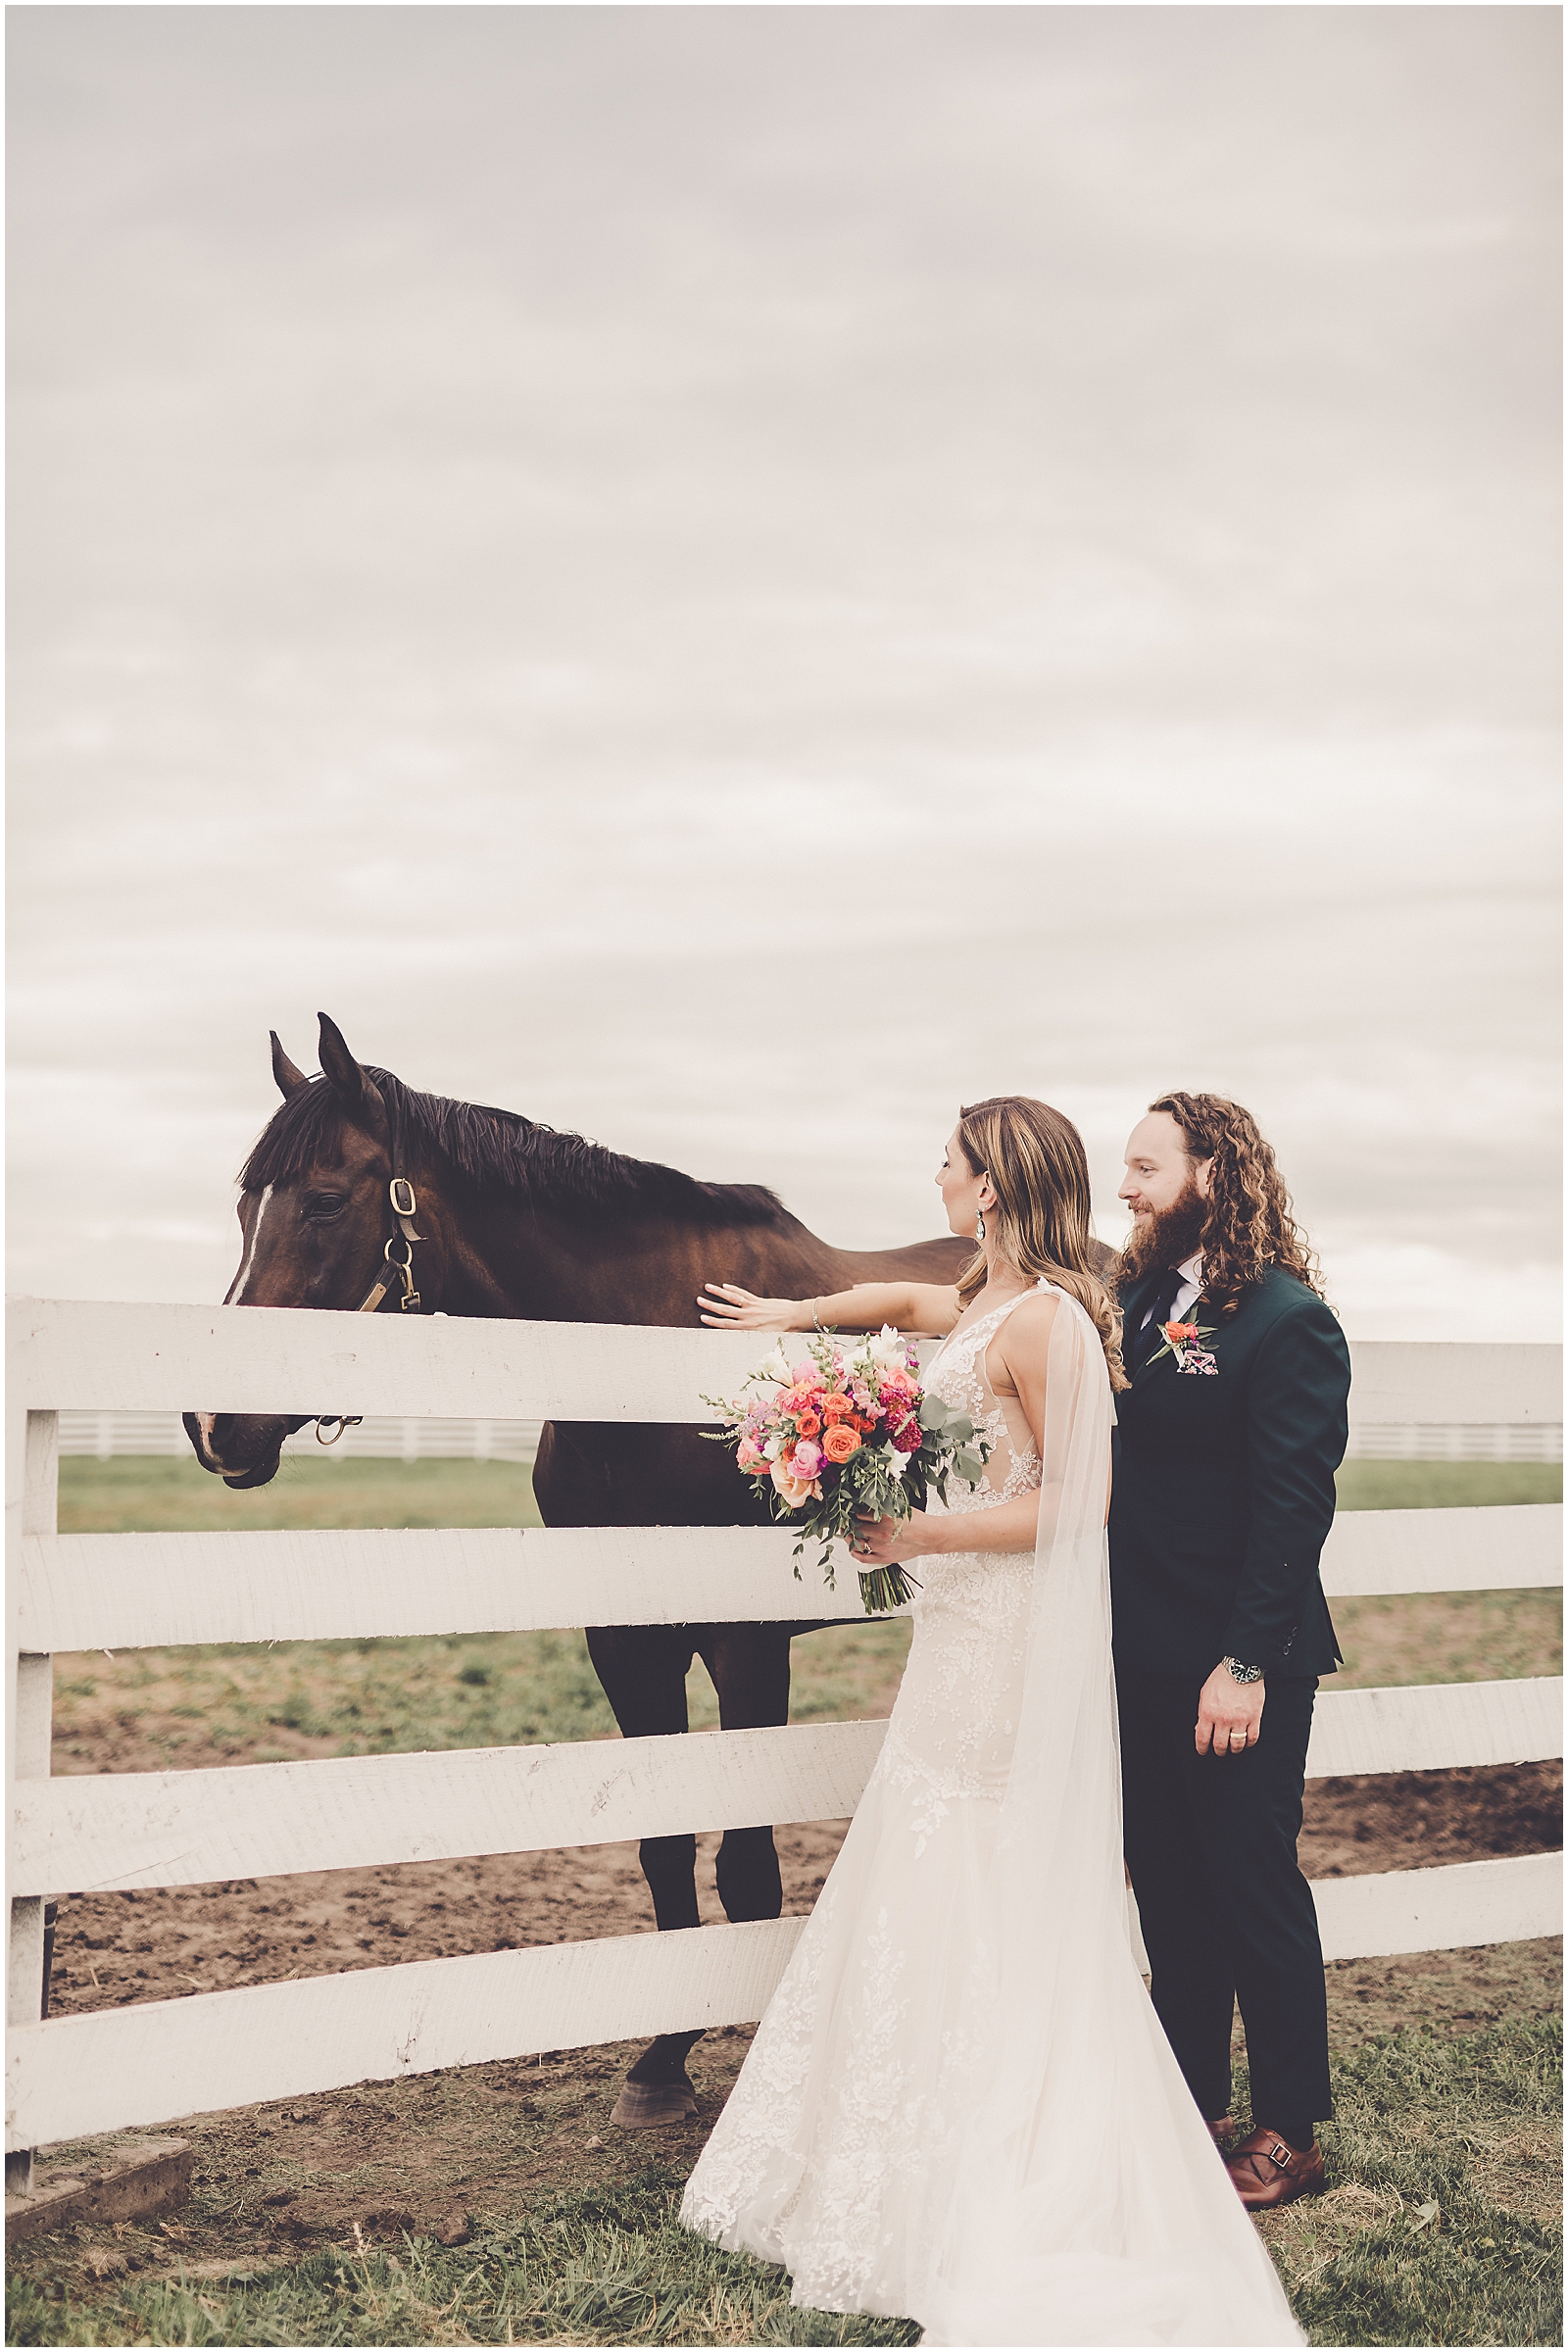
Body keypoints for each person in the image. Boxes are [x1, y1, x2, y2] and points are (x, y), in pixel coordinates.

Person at [682, 1097, 1301, 2346]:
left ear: (994, 1182)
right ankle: (904, 2122)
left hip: (1007, 1635)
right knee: (923, 1850)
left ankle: (1006, 2134)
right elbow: (904, 1310)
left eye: (949, 1164)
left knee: (972, 1855)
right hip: (956, 1635)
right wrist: (795, 1315)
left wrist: (915, 1532)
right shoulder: (981, 1297)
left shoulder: (1052, 1323)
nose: (935, 1178)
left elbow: (1078, 1505)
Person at [1112, 1094, 1349, 2212]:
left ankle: (1290, 2128)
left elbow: (1294, 1508)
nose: (1126, 1187)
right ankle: (1190, 2098)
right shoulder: (1133, 1299)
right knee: (1165, 1878)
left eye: (1146, 1167)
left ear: (1213, 1172)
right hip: (1138, 1646)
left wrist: (1245, 1661)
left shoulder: (1286, 1321)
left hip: (1238, 1660)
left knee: (1249, 1880)